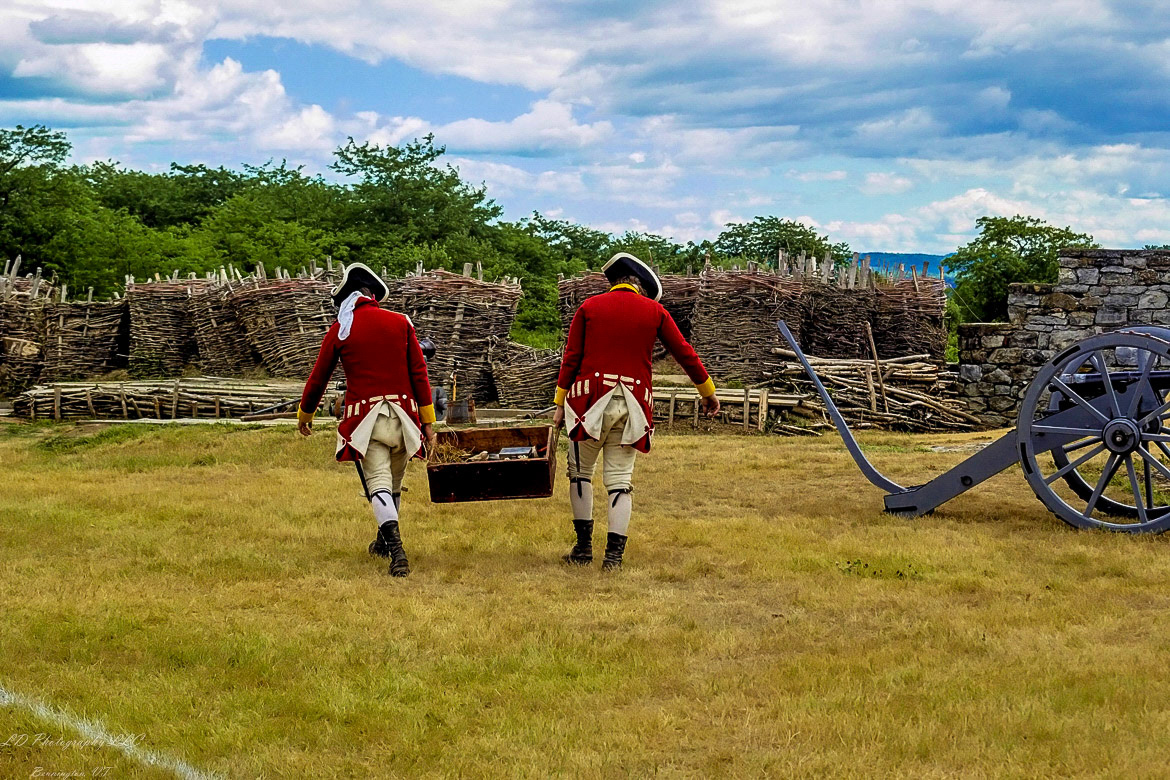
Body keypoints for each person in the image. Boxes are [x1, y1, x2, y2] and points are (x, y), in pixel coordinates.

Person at [553, 252, 720, 570]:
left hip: (588, 403)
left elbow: (571, 358)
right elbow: (684, 353)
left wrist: (560, 402)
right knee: (619, 480)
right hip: (633, 406)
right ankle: (613, 559)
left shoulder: (589, 307)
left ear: (615, 282)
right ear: (640, 286)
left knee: (580, 475)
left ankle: (584, 549)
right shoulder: (655, 311)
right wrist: (707, 392)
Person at [298, 262, 437, 577]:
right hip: (405, 418)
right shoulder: (402, 322)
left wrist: (305, 413)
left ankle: (397, 552)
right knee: (394, 486)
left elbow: (319, 377)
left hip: (367, 421)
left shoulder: (340, 329)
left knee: (379, 486)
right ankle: (383, 543)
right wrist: (427, 422)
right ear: (373, 295)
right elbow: (420, 374)